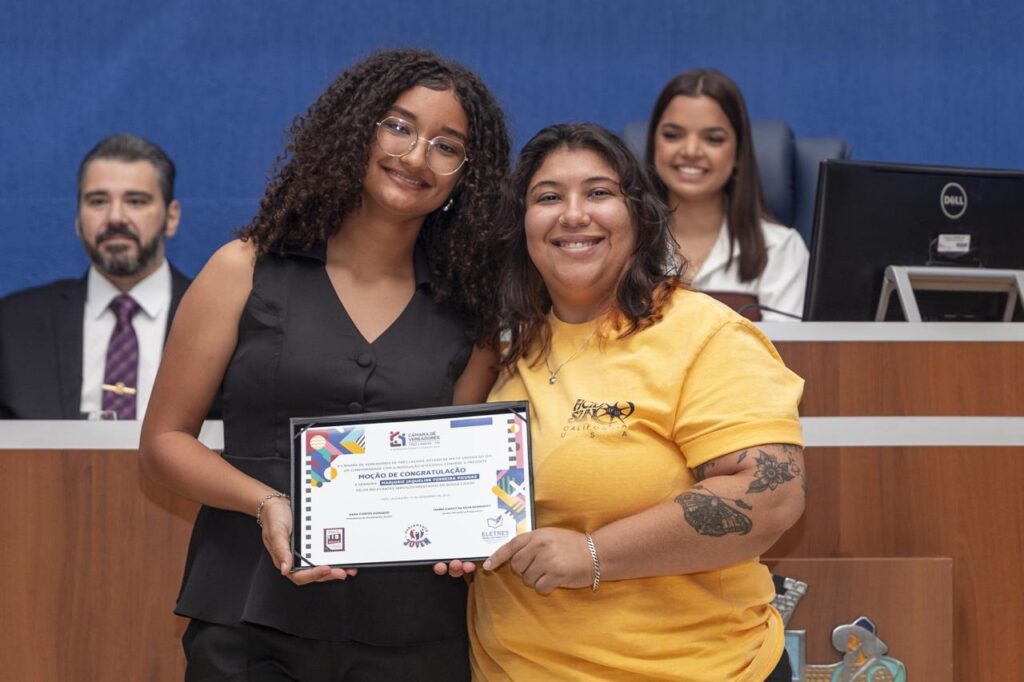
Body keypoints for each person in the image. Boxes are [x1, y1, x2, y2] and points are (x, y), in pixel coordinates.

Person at [139, 49, 510, 680]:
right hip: (248, 618)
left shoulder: (470, 314)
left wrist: (467, 530)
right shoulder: (243, 268)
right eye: (398, 126)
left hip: (412, 631)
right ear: (355, 130)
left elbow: (460, 473)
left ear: (465, 177)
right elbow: (163, 444)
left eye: (447, 146)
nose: (416, 156)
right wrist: (266, 503)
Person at [467, 124, 806, 681]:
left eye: (599, 193)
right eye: (548, 197)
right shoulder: (505, 347)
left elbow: (770, 499)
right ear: (522, 224)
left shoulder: (705, 333)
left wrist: (593, 554)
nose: (573, 214)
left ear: (639, 215)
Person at [0, 134, 188, 419]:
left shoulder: (224, 321)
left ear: (171, 218)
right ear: (78, 219)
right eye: (98, 201)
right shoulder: (13, 324)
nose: (115, 218)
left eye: (136, 201)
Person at [645, 69, 809, 321]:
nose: (690, 150)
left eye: (713, 139)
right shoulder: (623, 247)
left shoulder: (780, 250)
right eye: (673, 135)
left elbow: (786, 357)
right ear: (654, 143)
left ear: (738, 153)